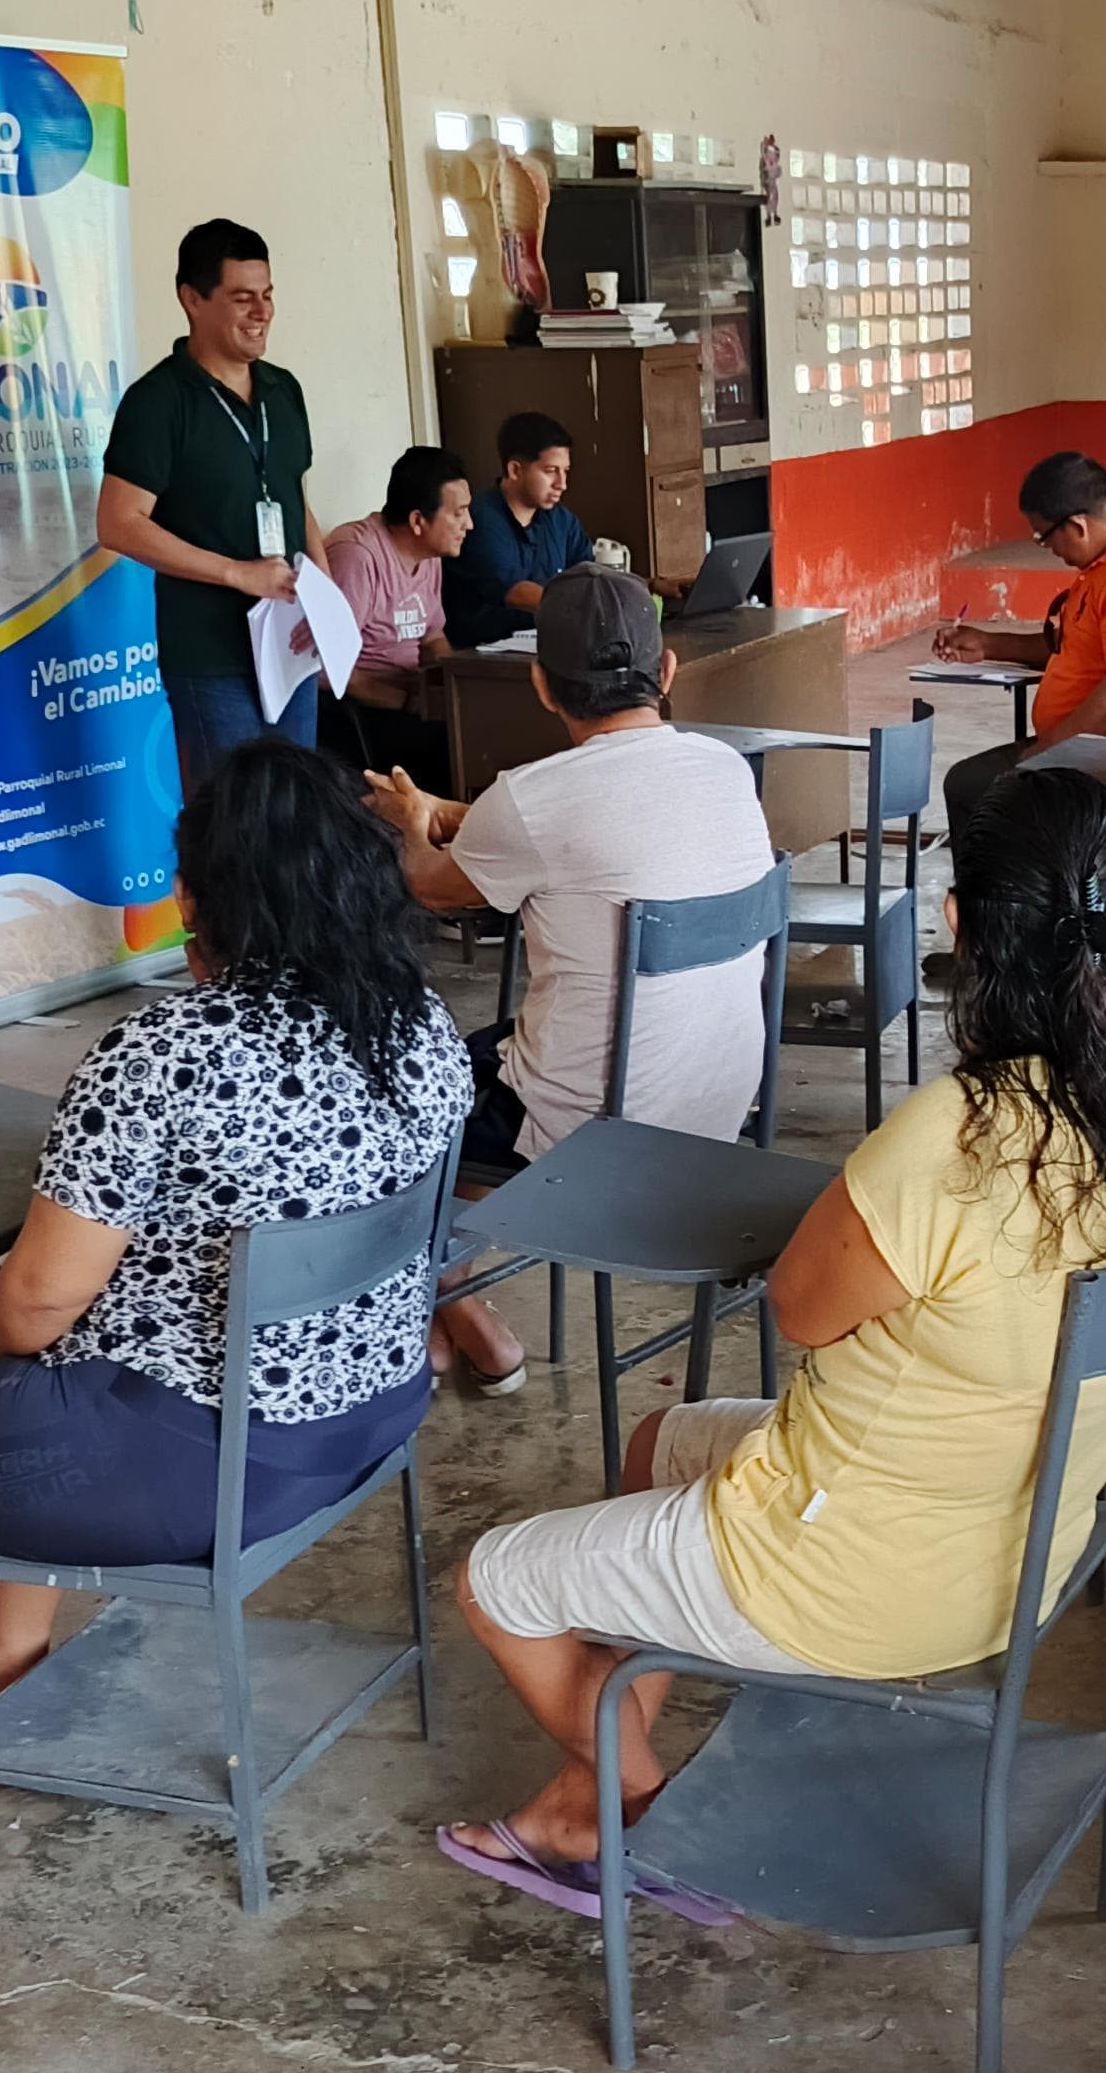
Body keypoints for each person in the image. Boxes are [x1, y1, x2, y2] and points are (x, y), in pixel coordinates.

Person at [432, 773, 1106, 1900]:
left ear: (958, 922)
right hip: (1020, 1533)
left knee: (494, 1581)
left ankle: (626, 1803)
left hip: (847, 1568)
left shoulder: (956, 1131)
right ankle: (590, 1770)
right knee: (658, 1441)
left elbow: (801, 1309)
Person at [0, 742, 471, 1796]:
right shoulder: (418, 1020)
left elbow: (38, 1298)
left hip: (209, 1463)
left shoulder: (165, 1051)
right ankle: (1, 1651)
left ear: (199, 898)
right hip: (369, 1412)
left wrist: (12, 1360)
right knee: (25, 1395)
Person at [369, 567, 778, 1389]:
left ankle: (443, 1301)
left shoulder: (532, 798)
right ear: (666, 671)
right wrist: (449, 814)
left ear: (540, 684)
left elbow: (429, 885)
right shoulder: (726, 769)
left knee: (392, 1096)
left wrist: (413, 823)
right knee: (471, 1067)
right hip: (717, 1113)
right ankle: (449, 1309)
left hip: (590, 1137)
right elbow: (575, 837)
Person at [99, 220, 329, 796]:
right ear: (192, 299)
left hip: (290, 644)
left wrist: (324, 599)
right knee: (233, 820)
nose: (262, 312)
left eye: (268, 294)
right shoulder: (158, 401)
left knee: (298, 814)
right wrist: (235, 573)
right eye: (242, 298)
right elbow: (119, 523)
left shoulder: (284, 389)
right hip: (212, 657)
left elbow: (295, 499)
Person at [932, 451, 1106, 852]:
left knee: (974, 788)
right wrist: (988, 643)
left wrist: (1049, 751)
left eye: (1044, 537)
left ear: (1077, 526)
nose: (1048, 548)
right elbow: (1072, 648)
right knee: (972, 784)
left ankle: (1003, 893)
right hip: (1076, 743)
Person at [323, 445, 475, 785]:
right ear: (418, 521)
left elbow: (433, 637)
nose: (469, 524)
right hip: (363, 711)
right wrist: (407, 702)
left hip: (410, 695)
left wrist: (456, 689)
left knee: (481, 723)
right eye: (459, 513)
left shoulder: (429, 554)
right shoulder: (357, 556)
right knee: (455, 746)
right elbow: (330, 670)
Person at [447, 411, 590, 642]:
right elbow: (513, 591)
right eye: (550, 471)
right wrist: (577, 607)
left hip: (549, 644)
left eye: (565, 472)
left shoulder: (563, 521)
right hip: (484, 652)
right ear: (515, 470)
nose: (562, 484)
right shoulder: (478, 520)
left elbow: (588, 577)